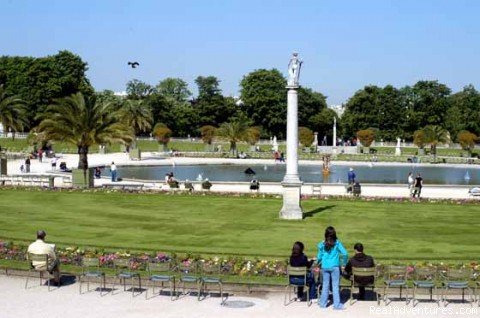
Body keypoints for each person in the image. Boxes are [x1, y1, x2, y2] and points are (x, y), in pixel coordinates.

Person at [317, 226, 348, 310]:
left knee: (325, 285)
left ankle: (323, 304)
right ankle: (336, 305)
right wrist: (343, 263)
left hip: (325, 267)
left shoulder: (322, 244)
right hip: (335, 267)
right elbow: (345, 253)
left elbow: (319, 256)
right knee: (335, 286)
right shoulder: (337, 243)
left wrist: (318, 262)